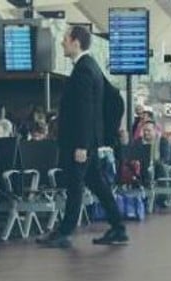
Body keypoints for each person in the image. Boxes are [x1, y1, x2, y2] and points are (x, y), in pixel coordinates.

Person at [37, 25, 127, 248]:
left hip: (80, 143)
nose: (62, 43)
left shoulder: (84, 69)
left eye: (65, 39)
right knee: (97, 184)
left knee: (75, 185)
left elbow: (85, 111)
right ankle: (118, 228)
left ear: (76, 42)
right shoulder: (90, 66)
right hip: (87, 142)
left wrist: (82, 145)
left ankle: (64, 231)